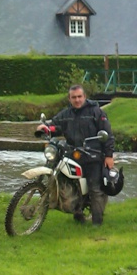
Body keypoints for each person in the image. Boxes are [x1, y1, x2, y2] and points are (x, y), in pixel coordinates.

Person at [35, 85, 116, 226]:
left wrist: (108, 156)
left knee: (94, 189)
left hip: (93, 155)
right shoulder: (66, 114)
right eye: (74, 97)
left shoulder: (96, 112)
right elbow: (55, 125)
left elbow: (107, 134)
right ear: (69, 98)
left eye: (79, 96)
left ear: (84, 97)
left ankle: (97, 223)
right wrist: (45, 128)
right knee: (70, 181)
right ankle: (76, 212)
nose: (77, 100)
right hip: (74, 154)